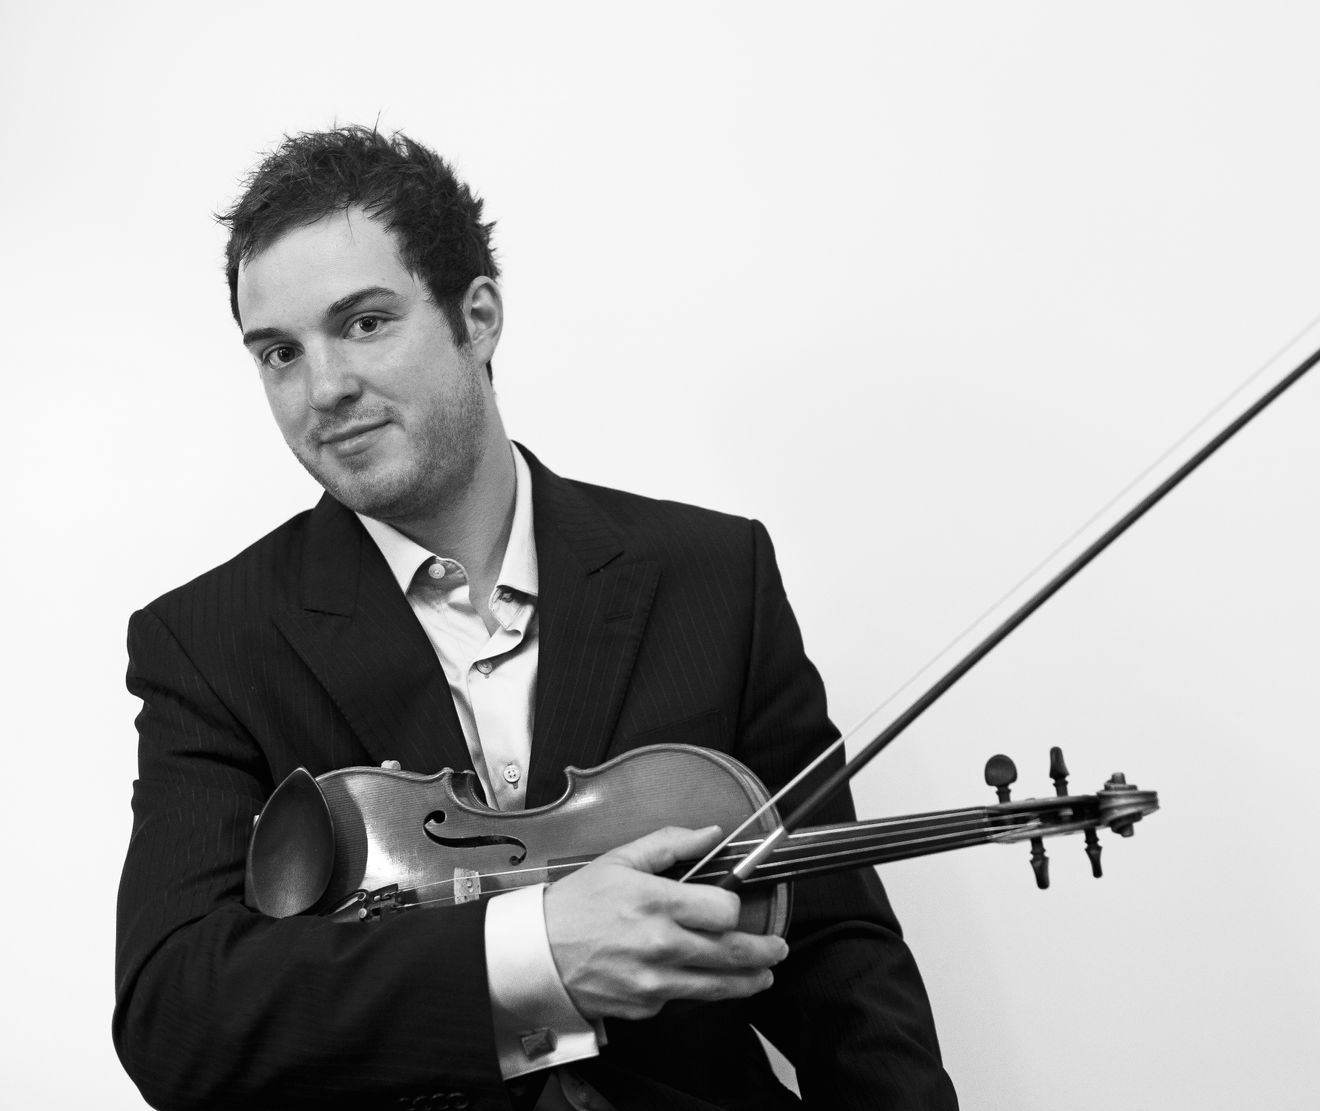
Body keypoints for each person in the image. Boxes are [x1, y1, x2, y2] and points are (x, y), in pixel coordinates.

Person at [113, 127, 957, 1111]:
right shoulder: (209, 641)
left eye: (366, 323)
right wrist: (529, 956)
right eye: (279, 352)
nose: (324, 387)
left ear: (477, 317)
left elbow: (837, 952)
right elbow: (177, 1011)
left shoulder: (713, 576)